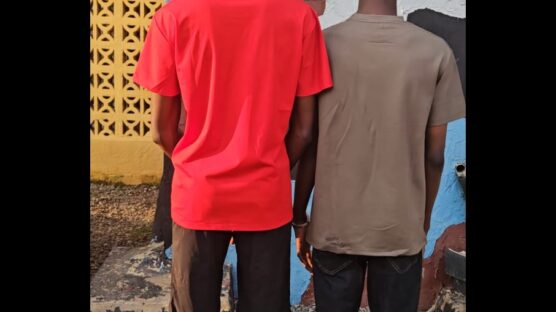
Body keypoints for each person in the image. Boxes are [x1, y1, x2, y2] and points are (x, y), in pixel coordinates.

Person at [133, 0, 332, 311]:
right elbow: (305, 130)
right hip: (266, 193)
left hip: (199, 193)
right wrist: (272, 167)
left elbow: (160, 131)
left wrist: (195, 167)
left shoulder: (173, 16)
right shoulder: (299, 17)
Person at [292, 0, 466, 311]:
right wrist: (421, 220)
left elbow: (310, 144)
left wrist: (300, 216)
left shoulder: (323, 45)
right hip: (399, 227)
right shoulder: (435, 51)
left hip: (334, 226)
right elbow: (435, 155)